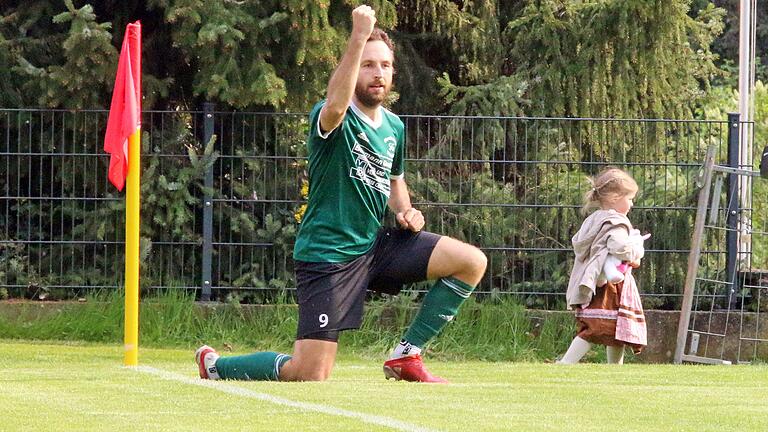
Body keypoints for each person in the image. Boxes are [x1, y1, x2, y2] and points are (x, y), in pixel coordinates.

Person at [195, 5, 487, 383]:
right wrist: (358, 35)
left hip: (374, 246)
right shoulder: (332, 115)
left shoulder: (394, 127)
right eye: (367, 64)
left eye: (384, 65)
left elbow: (395, 179)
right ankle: (216, 366)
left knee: (470, 261)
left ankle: (406, 355)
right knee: (310, 373)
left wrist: (407, 211)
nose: (377, 73)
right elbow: (335, 103)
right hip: (328, 253)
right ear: (352, 68)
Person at [557, 167, 649, 364]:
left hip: (595, 279)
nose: (632, 204)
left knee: (616, 329)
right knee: (596, 327)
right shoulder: (616, 222)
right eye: (629, 198)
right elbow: (619, 247)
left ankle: (614, 369)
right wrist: (636, 248)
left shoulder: (594, 219)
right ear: (615, 197)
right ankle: (566, 363)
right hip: (610, 285)